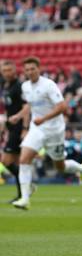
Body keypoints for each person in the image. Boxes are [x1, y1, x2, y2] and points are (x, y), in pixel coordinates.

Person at [9, 57, 82, 210]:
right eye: (27, 70)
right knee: (24, 159)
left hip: (54, 130)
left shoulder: (48, 85)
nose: (30, 72)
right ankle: (25, 199)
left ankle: (81, 169)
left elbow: (62, 106)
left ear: (39, 69)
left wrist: (44, 118)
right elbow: (30, 106)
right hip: (37, 129)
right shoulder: (25, 86)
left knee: (60, 166)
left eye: (33, 69)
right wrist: (18, 116)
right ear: (24, 72)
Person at [1, 60, 25, 202]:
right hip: (11, 128)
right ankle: (22, 193)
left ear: (15, 71)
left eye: (9, 70)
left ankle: (27, 186)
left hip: (19, 128)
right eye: (4, 71)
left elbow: (27, 107)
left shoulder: (18, 86)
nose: (7, 73)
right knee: (16, 163)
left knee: (6, 161)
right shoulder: (6, 85)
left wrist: (25, 128)